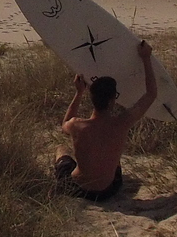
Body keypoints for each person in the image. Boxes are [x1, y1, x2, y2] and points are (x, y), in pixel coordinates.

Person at [54, 39, 157, 202]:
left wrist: (78, 93)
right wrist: (146, 58)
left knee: (61, 149)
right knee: (114, 160)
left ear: (92, 99)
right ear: (112, 101)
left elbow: (64, 124)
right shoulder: (123, 123)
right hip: (109, 190)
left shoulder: (77, 125)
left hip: (78, 190)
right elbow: (151, 94)